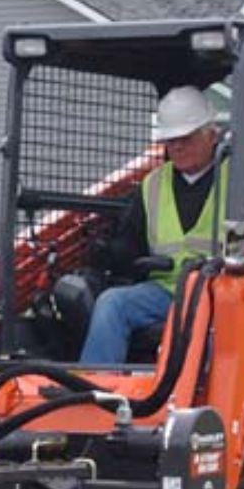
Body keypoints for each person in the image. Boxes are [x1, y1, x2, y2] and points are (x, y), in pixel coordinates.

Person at [79, 85, 226, 364]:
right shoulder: (153, 184)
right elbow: (129, 245)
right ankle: (95, 385)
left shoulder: (239, 178)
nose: (177, 147)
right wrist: (106, 253)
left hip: (221, 292)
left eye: (186, 138)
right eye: (171, 140)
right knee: (112, 303)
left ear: (211, 134)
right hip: (166, 290)